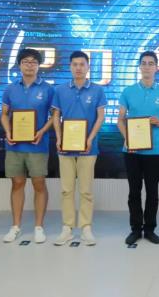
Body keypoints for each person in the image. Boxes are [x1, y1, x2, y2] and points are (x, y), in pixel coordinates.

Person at [117, 51, 159, 245]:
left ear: (157, 67)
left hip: (155, 150)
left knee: (152, 192)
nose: (147, 66)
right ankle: (135, 229)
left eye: (151, 63)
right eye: (144, 63)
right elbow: (120, 120)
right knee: (134, 191)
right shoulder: (128, 91)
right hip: (132, 150)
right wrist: (128, 139)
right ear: (140, 67)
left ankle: (150, 229)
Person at [51, 51, 106, 246]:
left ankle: (85, 228)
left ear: (88, 67)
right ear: (70, 67)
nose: (78, 68)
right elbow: (56, 116)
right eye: (75, 64)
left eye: (82, 64)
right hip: (65, 147)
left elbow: (100, 117)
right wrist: (59, 138)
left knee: (86, 190)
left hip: (88, 148)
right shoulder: (60, 90)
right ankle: (67, 228)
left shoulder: (97, 90)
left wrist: (90, 139)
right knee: (66, 190)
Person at [0, 48, 54, 244]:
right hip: (15, 146)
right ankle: (15, 226)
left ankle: (39, 227)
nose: (30, 65)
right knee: (17, 184)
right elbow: (4, 114)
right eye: (26, 62)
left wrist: (42, 131)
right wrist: (8, 131)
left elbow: (55, 116)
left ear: (39, 66)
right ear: (19, 65)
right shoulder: (10, 89)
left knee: (39, 184)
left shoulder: (48, 89)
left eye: (33, 62)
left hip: (38, 145)